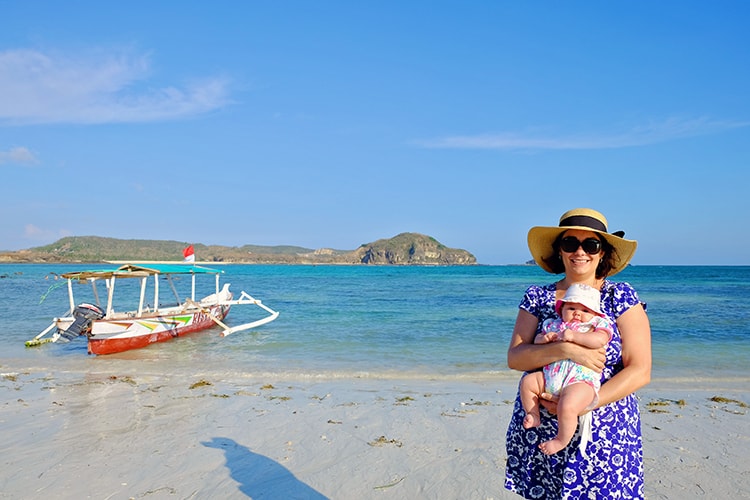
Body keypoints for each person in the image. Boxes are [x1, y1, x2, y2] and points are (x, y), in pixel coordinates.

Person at [504, 208, 651, 499]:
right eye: (570, 243)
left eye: (591, 244)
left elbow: (640, 370)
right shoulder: (538, 297)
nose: (579, 252)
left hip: (606, 429)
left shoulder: (619, 296)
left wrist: (586, 404)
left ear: (602, 252)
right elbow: (516, 357)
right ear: (559, 250)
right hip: (542, 426)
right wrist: (567, 349)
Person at [519, 282, 613, 456]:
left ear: (594, 314)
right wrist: (544, 339)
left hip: (580, 380)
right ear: (561, 309)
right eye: (571, 308)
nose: (577, 313)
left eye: (585, 310)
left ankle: (561, 439)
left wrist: (575, 336)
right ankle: (533, 414)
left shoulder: (596, 326)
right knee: (528, 382)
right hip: (550, 377)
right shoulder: (552, 325)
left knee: (569, 405)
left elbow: (599, 341)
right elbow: (535, 341)